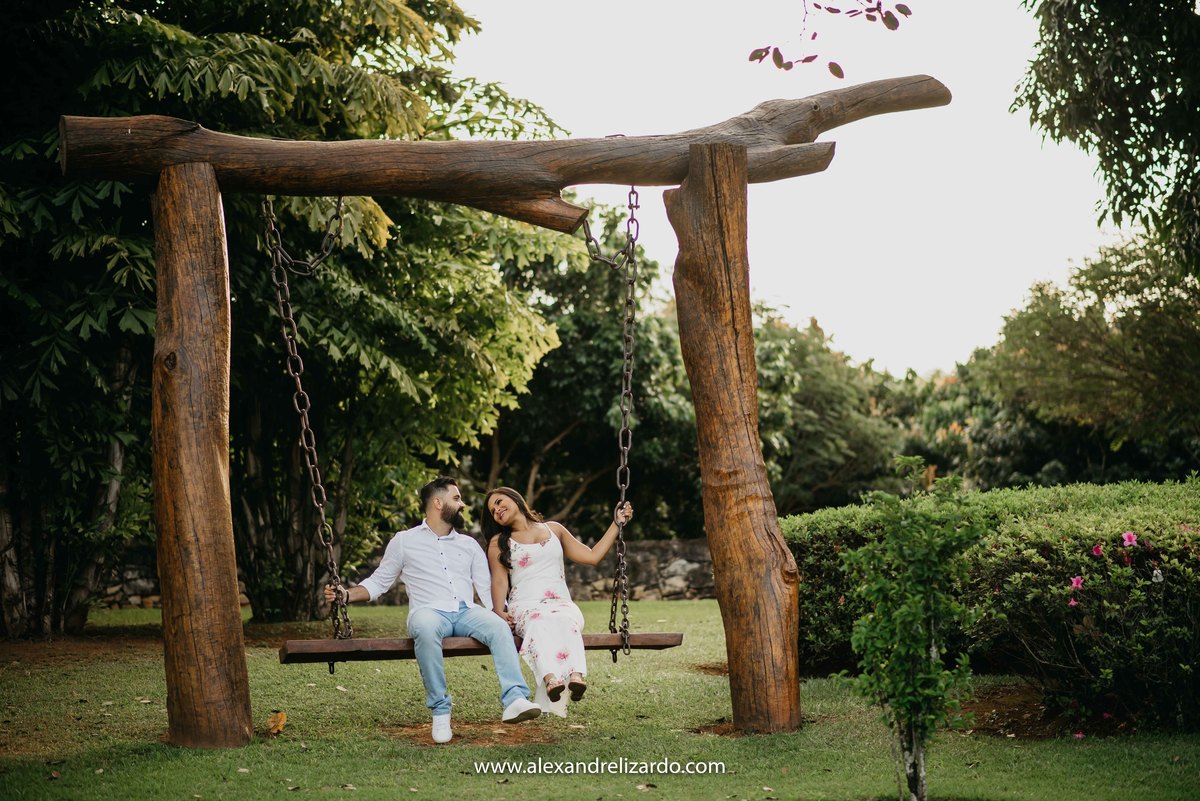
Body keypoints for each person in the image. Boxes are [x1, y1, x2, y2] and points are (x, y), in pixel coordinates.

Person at [324, 477, 541, 744]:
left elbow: (486, 590)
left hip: (465, 611)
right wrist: (346, 594)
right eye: (457, 498)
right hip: (428, 611)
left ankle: (515, 699)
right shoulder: (404, 541)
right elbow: (378, 582)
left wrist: (501, 612)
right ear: (438, 503)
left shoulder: (469, 545)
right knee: (425, 630)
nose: (462, 504)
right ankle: (440, 711)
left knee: (496, 627)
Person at [482, 487, 632, 717]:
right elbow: (500, 581)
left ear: (515, 499)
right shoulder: (499, 543)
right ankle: (550, 679)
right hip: (525, 605)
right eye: (493, 510)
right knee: (538, 620)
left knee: (566, 619)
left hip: (561, 603)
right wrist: (499, 610)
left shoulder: (554, 530)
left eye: (500, 502)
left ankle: (576, 677)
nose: (498, 509)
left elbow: (591, 556)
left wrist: (616, 522)